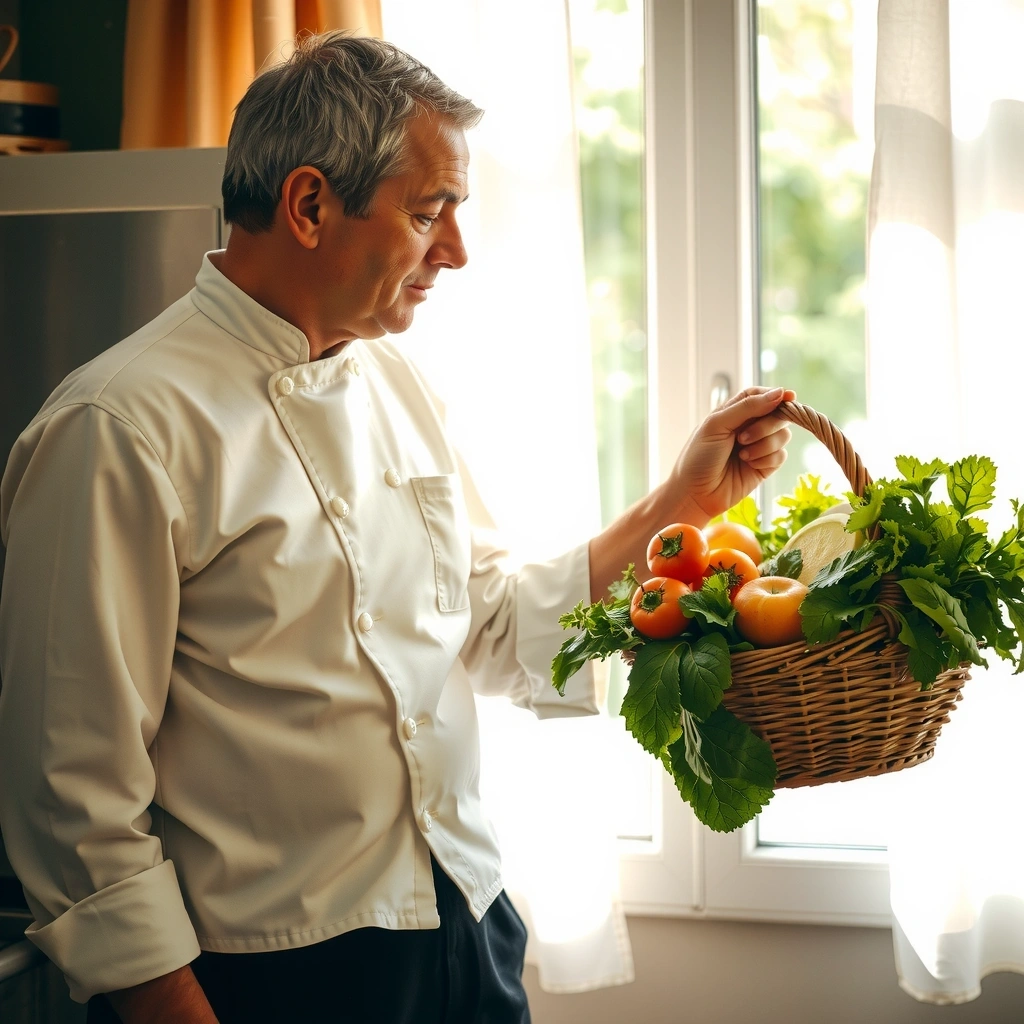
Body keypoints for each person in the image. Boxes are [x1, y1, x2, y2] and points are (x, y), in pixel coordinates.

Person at [0, 32, 794, 1024]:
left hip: (468, 926)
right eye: (429, 213)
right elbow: (72, 797)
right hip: (267, 978)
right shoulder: (117, 428)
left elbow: (491, 624)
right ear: (308, 204)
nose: (455, 251)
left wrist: (679, 507)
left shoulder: (398, 383)